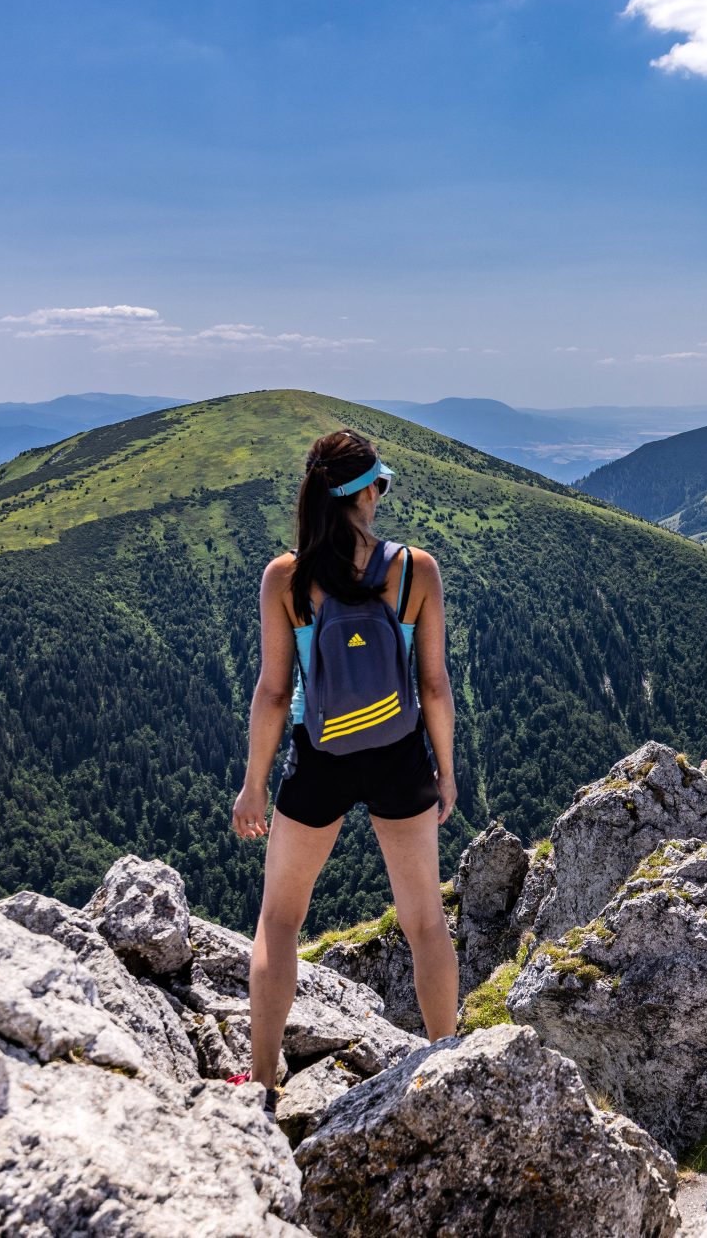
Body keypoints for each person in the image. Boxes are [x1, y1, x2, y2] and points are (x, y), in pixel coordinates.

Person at [231, 429, 459, 1110]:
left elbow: (275, 692)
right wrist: (445, 772)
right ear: (366, 492)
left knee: (279, 921)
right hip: (399, 755)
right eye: (379, 485)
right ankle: (450, 1064)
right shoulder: (416, 570)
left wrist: (253, 784)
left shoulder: (286, 578)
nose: (381, 495)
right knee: (425, 922)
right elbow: (434, 685)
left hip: (320, 757)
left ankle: (262, 1083)